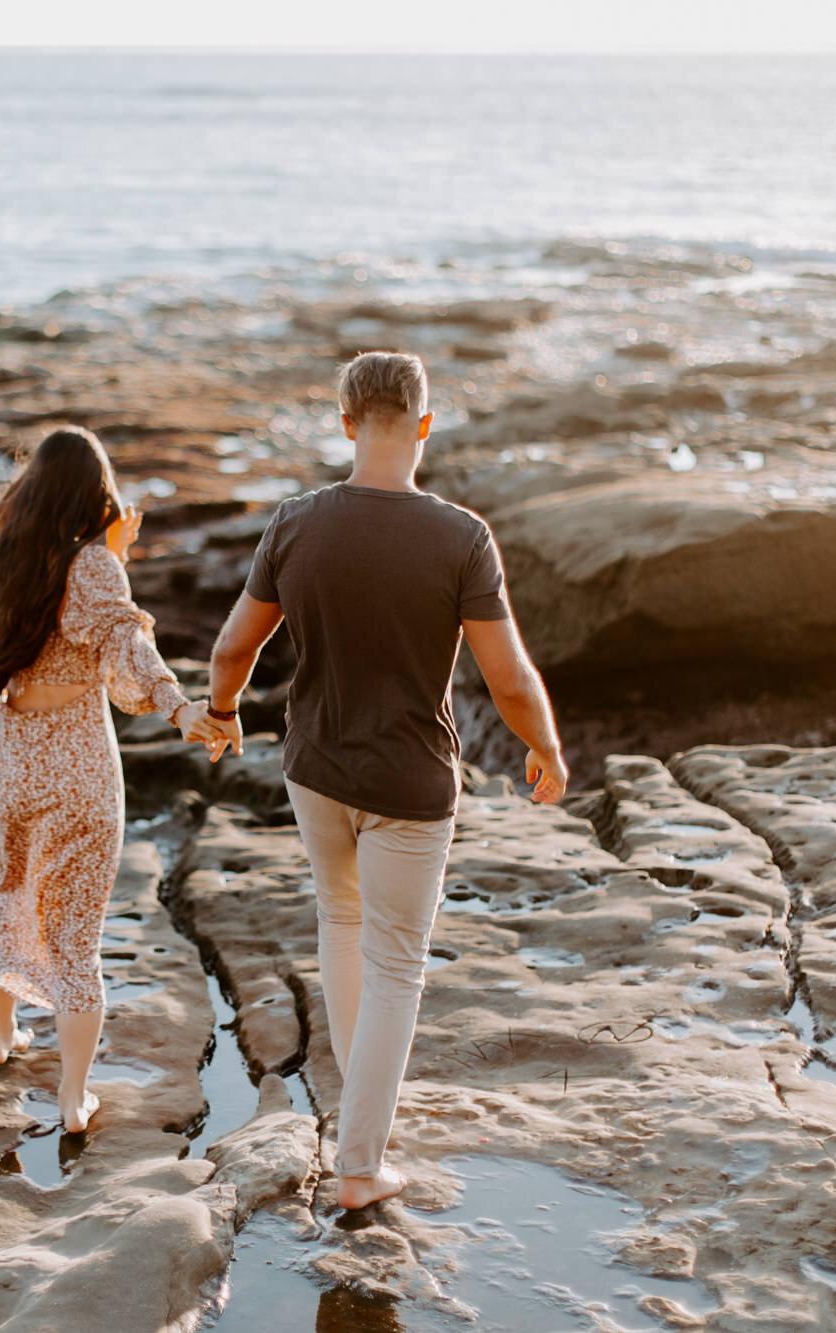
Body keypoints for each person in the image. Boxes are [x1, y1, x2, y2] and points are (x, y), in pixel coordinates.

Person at [203, 351, 568, 1209]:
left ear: (345, 422)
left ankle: (351, 1116)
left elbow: (232, 650)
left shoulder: (296, 522)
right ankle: (358, 1167)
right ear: (424, 424)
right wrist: (546, 747)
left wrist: (222, 711)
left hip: (315, 773)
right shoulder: (460, 536)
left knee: (342, 924)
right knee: (397, 964)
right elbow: (509, 679)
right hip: (410, 782)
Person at [0, 425, 231, 1134]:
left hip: (12, 750)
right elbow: (123, 644)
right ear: (95, 495)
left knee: (16, 888)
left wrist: (115, 554)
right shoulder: (93, 567)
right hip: (74, 759)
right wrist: (180, 708)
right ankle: (74, 1098)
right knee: (75, 929)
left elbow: (70, 620)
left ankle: (1, 1036)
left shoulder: (5, 556)